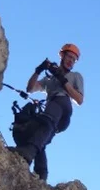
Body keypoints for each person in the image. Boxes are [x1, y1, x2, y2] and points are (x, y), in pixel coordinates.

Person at [9, 43, 84, 181]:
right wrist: (38, 70)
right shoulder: (50, 79)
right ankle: (41, 173)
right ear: (62, 56)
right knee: (40, 132)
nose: (71, 61)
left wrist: (63, 80)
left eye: (74, 59)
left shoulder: (75, 76)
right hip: (52, 112)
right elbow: (30, 88)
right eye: (69, 57)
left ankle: (28, 152)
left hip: (63, 107)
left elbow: (79, 99)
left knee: (46, 122)